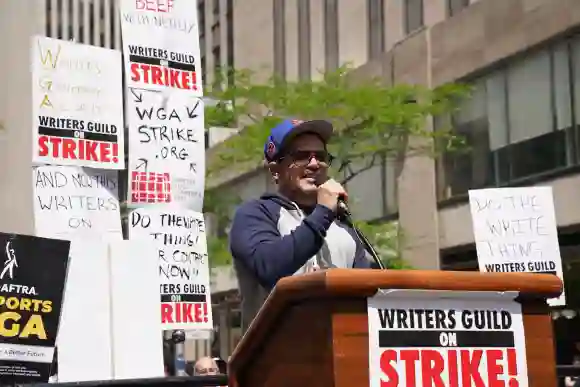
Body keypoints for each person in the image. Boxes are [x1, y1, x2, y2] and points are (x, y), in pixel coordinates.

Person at [229, 119, 378, 332]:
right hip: (278, 360)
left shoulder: (343, 227)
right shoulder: (255, 214)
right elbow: (268, 267)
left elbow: (367, 293)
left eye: (321, 157)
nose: (315, 164)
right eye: (301, 156)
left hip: (342, 355)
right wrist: (324, 213)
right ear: (275, 171)